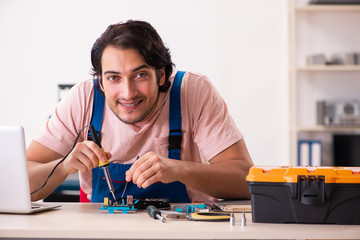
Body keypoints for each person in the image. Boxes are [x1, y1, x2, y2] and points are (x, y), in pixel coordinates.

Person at [27, 20, 253, 203]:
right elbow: (22, 184)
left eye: (140, 75)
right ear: (101, 83)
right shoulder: (83, 98)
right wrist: (64, 166)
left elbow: (245, 180)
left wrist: (180, 170)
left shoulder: (192, 92)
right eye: (114, 78)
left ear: (161, 75)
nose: (128, 93)